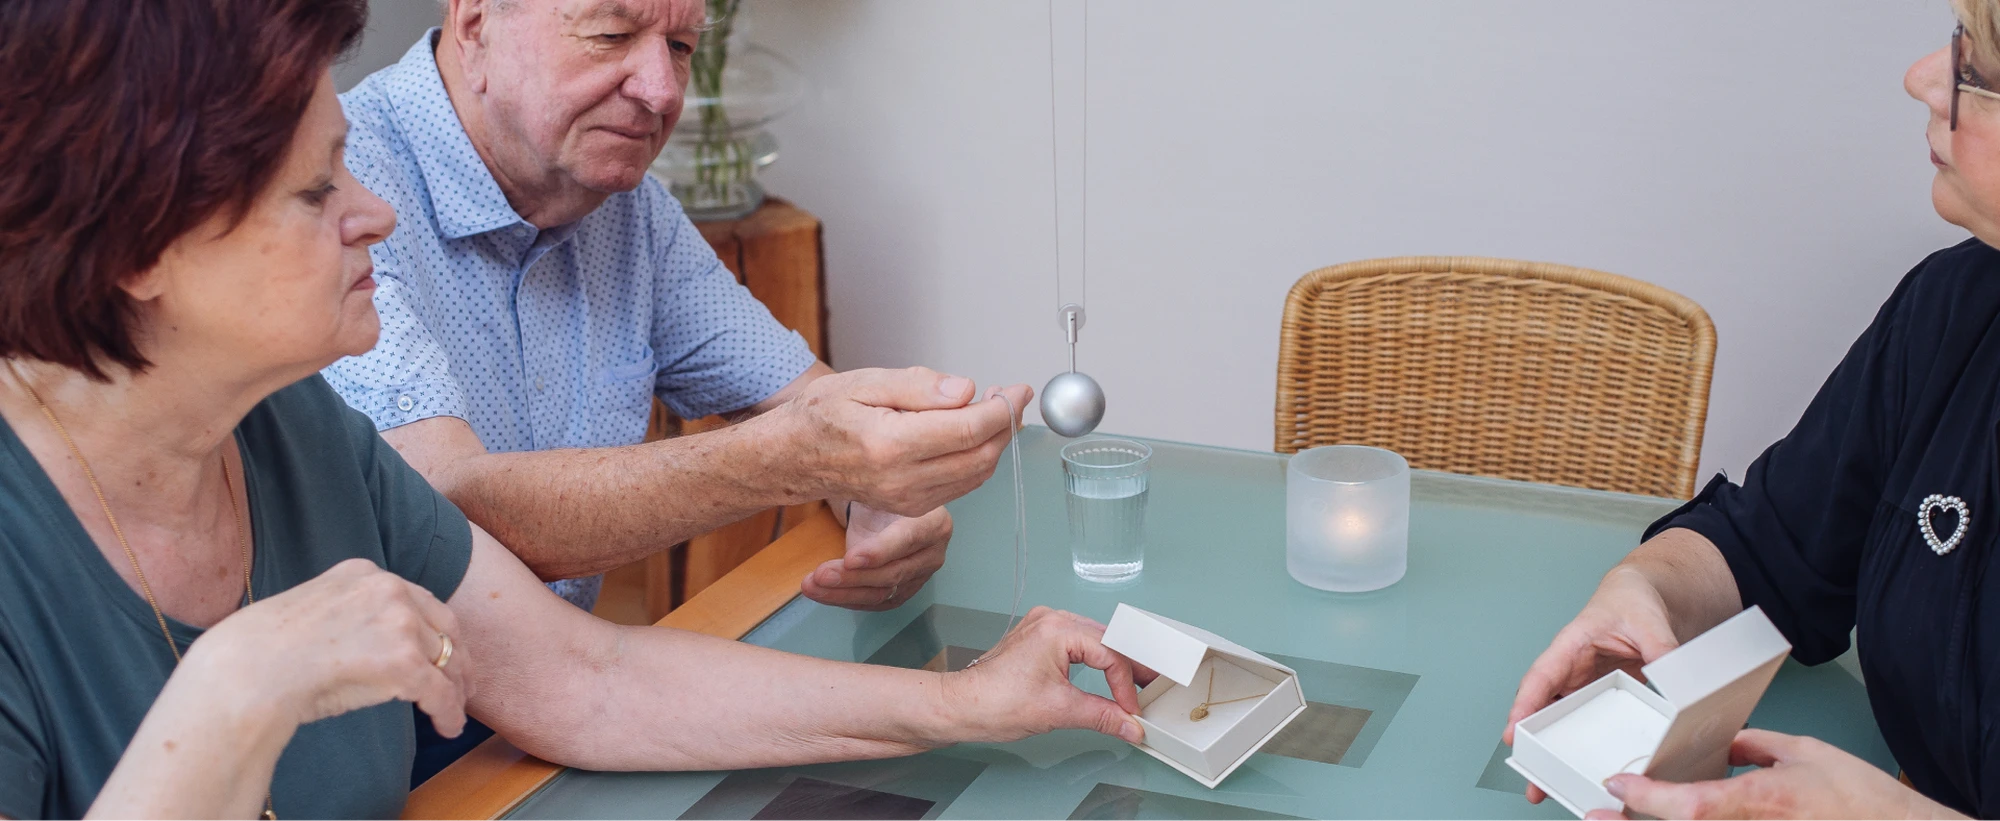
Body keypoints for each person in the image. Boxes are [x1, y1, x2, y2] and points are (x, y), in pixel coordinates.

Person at [0, 1, 1147, 818]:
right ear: (138, 244)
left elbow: (585, 680)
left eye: (678, 45)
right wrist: (235, 693)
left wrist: (967, 700)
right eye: (314, 190)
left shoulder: (296, 428)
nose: (371, 213)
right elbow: (475, 503)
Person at [325, 0, 1022, 623]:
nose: (662, 92)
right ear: (476, 24)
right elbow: (444, 511)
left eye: (682, 46)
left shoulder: (626, 207)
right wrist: (793, 460)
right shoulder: (332, 192)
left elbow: (804, 399)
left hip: (544, 686)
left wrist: (878, 497)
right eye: (611, 34)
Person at [1503, 5, 2000, 819]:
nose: (1921, 79)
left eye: (1973, 69)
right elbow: (1766, 547)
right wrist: (1645, 591)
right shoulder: (1953, 311)